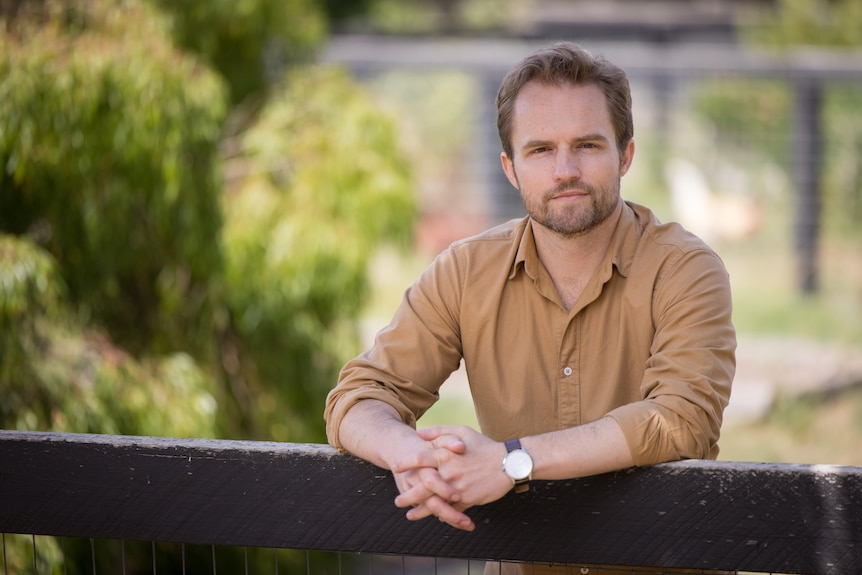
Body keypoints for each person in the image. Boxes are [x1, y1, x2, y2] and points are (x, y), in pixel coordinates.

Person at [324, 42, 736, 574]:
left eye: (587, 145)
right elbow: (358, 396)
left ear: (625, 154)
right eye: (540, 150)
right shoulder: (465, 271)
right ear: (510, 167)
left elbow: (683, 420)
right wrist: (407, 452)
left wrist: (512, 461)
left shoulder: (686, 269)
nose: (565, 170)